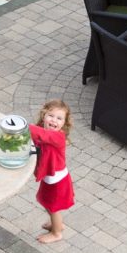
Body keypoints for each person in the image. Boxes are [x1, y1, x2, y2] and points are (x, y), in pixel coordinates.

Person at [29, 99, 74, 244]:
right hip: (49, 178)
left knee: (53, 207)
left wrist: (22, 126)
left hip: (57, 181)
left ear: (64, 124)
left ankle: (56, 233)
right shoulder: (43, 130)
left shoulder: (58, 137)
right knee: (45, 201)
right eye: (51, 116)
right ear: (44, 116)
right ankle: (57, 224)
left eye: (59, 118)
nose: (54, 120)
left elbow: (42, 135)